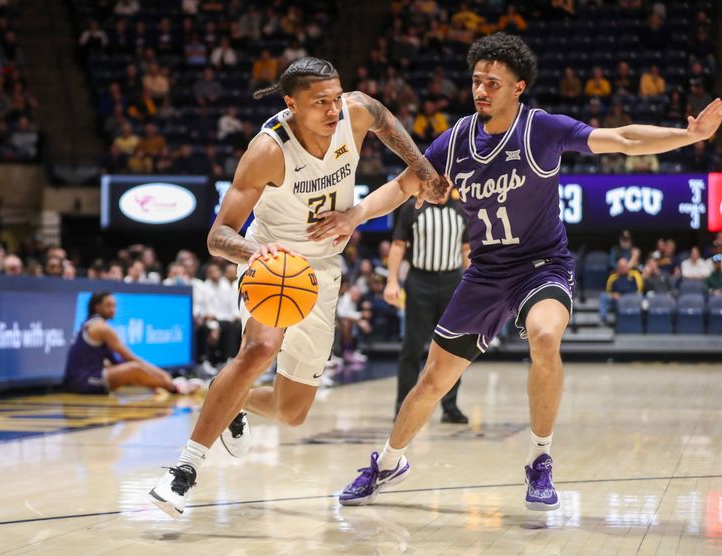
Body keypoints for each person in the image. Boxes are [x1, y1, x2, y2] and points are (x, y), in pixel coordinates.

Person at [314, 32, 722, 510]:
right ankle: (388, 462)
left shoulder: (542, 129)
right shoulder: (457, 138)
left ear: (518, 87)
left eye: (492, 82)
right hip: (486, 271)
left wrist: (690, 135)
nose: (481, 90)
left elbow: (623, 138)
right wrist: (354, 215)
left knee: (544, 337)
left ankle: (540, 459)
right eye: (476, 81)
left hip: (542, 265)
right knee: (431, 381)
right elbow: (405, 184)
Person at [147, 56, 449, 519]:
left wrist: (423, 168)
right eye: (319, 103)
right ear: (291, 104)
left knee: (292, 412)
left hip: (324, 272)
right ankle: (183, 472)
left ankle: (232, 395)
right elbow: (217, 235)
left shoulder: (357, 111)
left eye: (335, 98)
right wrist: (255, 255)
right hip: (272, 264)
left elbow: (388, 124)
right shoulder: (268, 150)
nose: (333, 111)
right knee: (259, 349)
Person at [386, 191, 470, 423]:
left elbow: (466, 250)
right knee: (412, 346)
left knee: (453, 348)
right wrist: (392, 280)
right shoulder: (412, 207)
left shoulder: (462, 209)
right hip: (419, 281)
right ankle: (402, 405)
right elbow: (398, 244)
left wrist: (472, 286)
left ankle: (450, 406)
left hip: (452, 282)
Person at [63, 291, 190, 394]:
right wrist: (163, 374)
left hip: (80, 378)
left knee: (127, 369)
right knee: (134, 368)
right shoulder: (101, 327)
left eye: (114, 305)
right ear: (97, 307)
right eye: (108, 305)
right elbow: (130, 358)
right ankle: (174, 386)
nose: (113, 309)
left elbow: (114, 361)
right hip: (83, 381)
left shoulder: (90, 323)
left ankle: (164, 385)